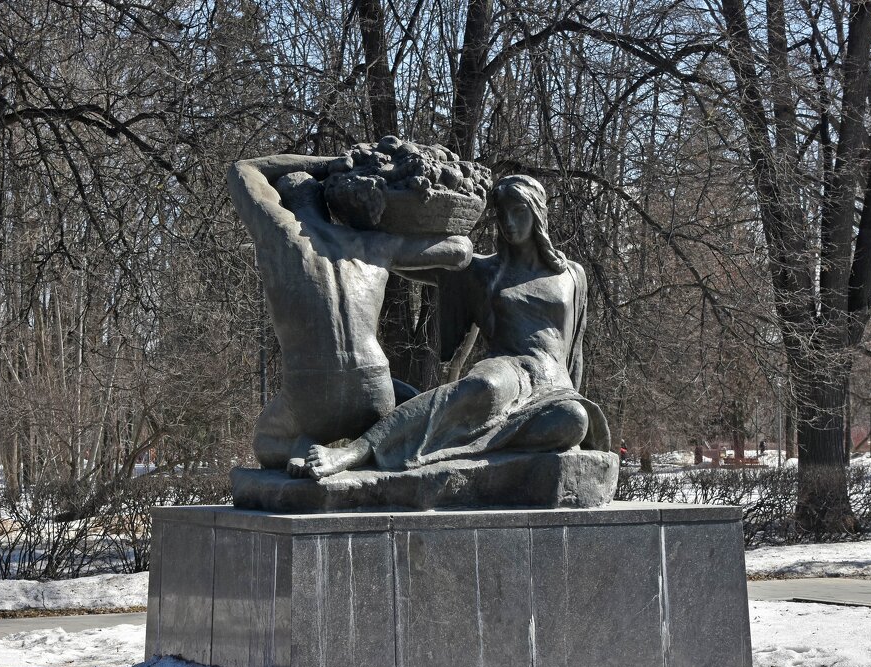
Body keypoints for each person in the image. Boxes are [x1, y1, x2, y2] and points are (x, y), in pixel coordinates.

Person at [304, 175, 610, 478]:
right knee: (483, 387)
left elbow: (575, 353)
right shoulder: (483, 271)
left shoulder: (573, 274)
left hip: (554, 388)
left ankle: (440, 424)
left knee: (575, 421)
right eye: (501, 213)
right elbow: (410, 262)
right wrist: (360, 236)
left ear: (538, 212)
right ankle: (359, 449)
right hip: (509, 370)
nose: (508, 223)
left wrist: (573, 394)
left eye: (518, 212)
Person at [226, 154, 472, 471]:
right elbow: (459, 251)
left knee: (266, 442)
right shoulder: (372, 244)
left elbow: (243, 169)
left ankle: (303, 448)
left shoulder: (277, 234)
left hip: (311, 393)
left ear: (284, 204)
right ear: (325, 206)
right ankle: (383, 440)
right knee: (406, 398)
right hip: (373, 387)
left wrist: (330, 162)